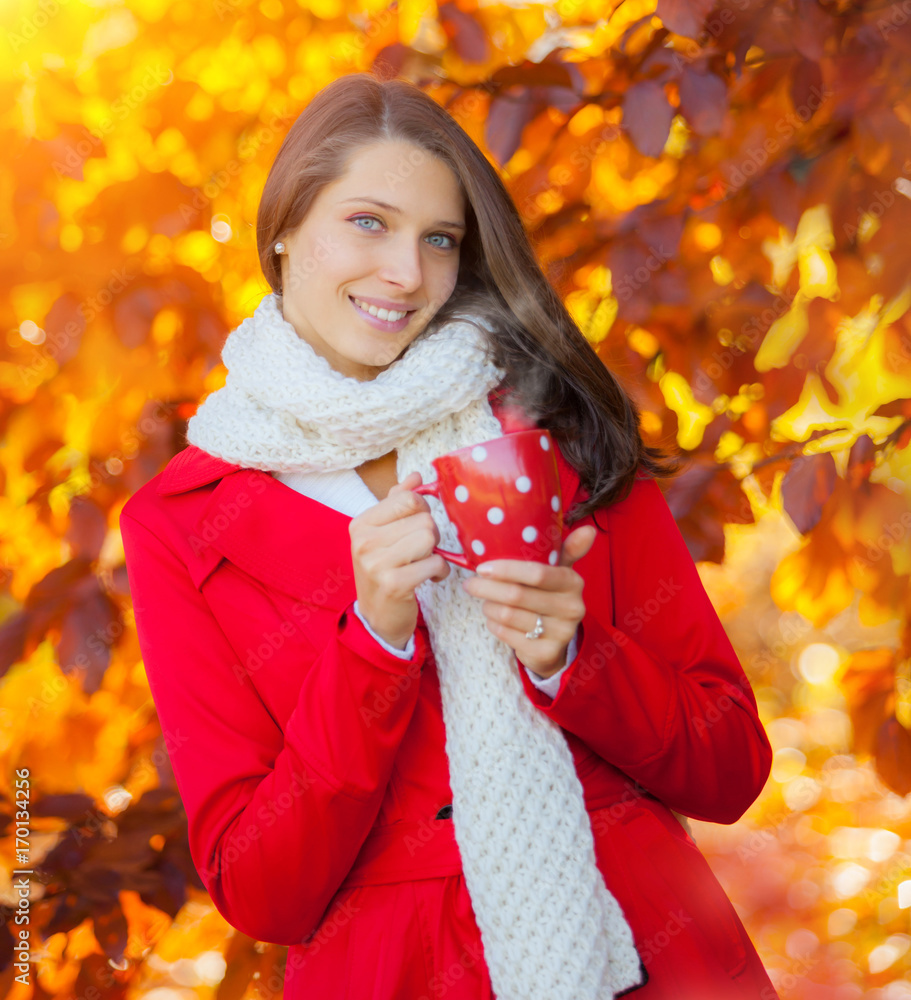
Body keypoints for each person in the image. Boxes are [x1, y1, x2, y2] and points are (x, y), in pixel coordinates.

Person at [120, 72, 779, 1000]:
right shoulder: (180, 521)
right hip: (389, 971)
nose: (406, 274)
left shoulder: (553, 428)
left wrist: (573, 660)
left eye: (440, 240)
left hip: (638, 950)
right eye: (367, 223)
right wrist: (374, 641)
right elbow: (260, 889)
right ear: (283, 228)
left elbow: (729, 766)